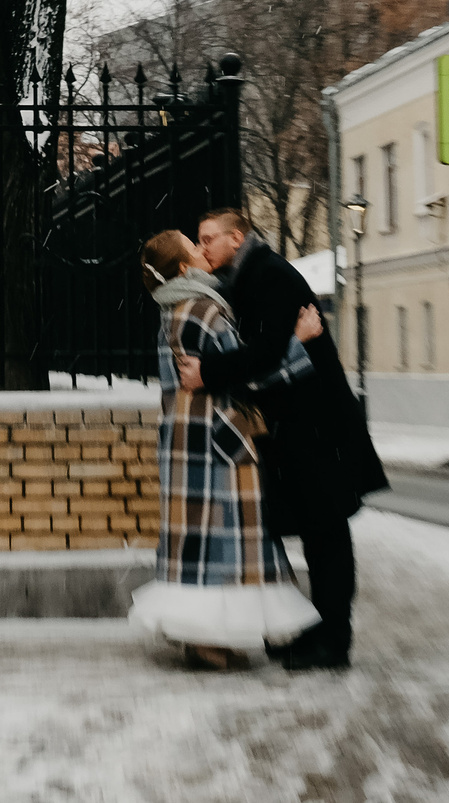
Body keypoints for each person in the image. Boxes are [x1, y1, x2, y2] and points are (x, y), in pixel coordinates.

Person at [177, 207, 387, 673]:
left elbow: (266, 354)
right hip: (305, 429)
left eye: (209, 238)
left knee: (326, 535)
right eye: (199, 239)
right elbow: (266, 353)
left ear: (236, 238)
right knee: (319, 533)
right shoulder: (248, 277)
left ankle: (333, 641)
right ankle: (323, 630)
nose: (203, 247)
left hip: (318, 429)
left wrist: (208, 372)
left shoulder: (267, 275)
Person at [128, 229, 323, 670]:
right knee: (229, 545)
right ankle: (206, 640)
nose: (203, 251)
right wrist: (299, 341)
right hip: (220, 442)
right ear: (185, 268)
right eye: (194, 247)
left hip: (184, 442)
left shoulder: (170, 311)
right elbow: (246, 375)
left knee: (194, 543)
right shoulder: (204, 309)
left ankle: (202, 636)